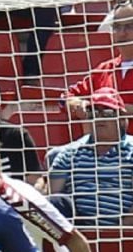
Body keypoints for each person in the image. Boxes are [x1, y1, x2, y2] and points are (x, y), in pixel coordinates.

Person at [46, 87, 133, 226]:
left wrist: (118, 236)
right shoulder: (70, 153)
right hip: (77, 230)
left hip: (125, 232)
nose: (99, 118)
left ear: (122, 120)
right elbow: (50, 195)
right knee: (54, 202)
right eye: (94, 112)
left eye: (108, 113)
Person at [65, 0, 133, 114]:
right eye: (116, 26)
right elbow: (65, 98)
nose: (122, 33)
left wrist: (118, 110)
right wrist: (78, 104)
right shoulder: (104, 69)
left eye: (130, 26)